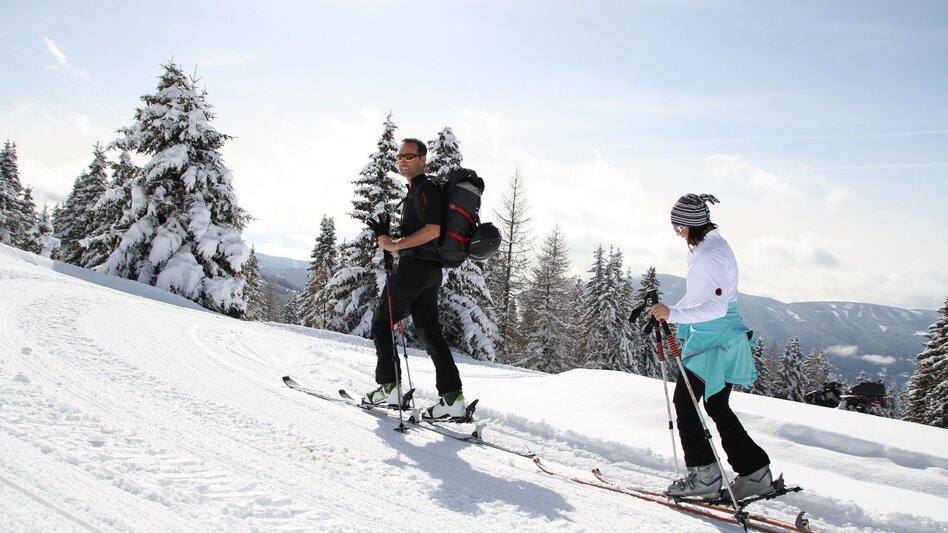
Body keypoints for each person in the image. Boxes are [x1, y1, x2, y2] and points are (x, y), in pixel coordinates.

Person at [650, 193, 773, 501]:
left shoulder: (710, 255)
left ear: (688, 225)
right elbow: (700, 298)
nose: (678, 234)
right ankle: (755, 472)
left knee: (685, 402)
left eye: (678, 228)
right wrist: (668, 311)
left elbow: (716, 306)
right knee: (716, 406)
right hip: (718, 335)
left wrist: (675, 314)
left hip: (714, 338)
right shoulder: (708, 249)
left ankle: (704, 475)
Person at [363, 138, 466, 419]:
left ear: (423, 159)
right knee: (428, 330)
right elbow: (420, 238)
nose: (403, 161)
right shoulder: (414, 194)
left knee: (381, 321)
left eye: (409, 156)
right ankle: (452, 398)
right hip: (427, 271)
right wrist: (391, 243)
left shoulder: (426, 188)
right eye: (400, 157)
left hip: (418, 269)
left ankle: (389, 387)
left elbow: (433, 230)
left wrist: (395, 245)